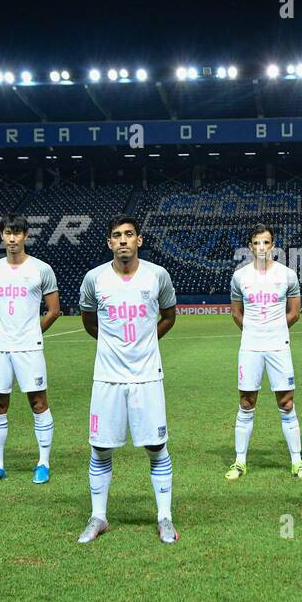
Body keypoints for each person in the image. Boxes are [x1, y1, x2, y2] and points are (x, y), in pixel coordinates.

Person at [76, 216, 180, 544]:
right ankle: (98, 516)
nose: (123, 240)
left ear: (139, 240)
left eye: (129, 235)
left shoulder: (157, 276)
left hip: (147, 377)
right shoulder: (94, 279)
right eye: (117, 236)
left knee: (155, 446)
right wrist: (114, 347)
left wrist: (145, 343)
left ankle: (164, 517)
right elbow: (89, 321)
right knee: (100, 447)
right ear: (109, 242)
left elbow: (168, 316)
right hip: (107, 377)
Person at [0, 215, 60, 486]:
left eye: (17, 233)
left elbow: (54, 310)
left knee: (38, 403)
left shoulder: (41, 269)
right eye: (8, 233)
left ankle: (43, 463)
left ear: (25, 236)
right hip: (0, 347)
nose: (12, 238)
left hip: (29, 347)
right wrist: (2, 328)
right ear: (1, 235)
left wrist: (31, 332)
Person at [226, 224, 302, 481]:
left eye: (266, 242)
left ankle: (297, 463)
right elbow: (236, 313)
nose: (261, 247)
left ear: (273, 246)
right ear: (250, 247)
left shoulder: (287, 275)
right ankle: (240, 462)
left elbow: (294, 312)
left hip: (278, 346)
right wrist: (253, 331)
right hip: (250, 347)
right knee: (246, 402)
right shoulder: (240, 276)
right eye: (256, 243)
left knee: (287, 403)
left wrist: (274, 331)